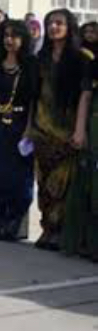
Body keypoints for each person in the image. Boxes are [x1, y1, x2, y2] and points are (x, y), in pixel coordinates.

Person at [31, 9, 94, 251]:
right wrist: (30, 129)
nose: (54, 27)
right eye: (50, 23)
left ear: (70, 27)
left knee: (63, 184)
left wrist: (80, 130)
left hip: (67, 131)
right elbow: (34, 97)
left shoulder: (82, 57)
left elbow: (84, 97)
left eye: (59, 23)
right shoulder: (42, 57)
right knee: (44, 182)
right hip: (42, 129)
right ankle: (47, 228)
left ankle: (61, 232)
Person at [0, 20, 39, 240]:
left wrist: (29, 129)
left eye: (15, 36)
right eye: (6, 36)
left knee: (17, 177)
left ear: (23, 39)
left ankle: (12, 224)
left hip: (19, 126)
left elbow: (33, 101)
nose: (9, 40)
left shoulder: (30, 66)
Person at [62, 18, 98, 258]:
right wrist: (79, 130)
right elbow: (85, 96)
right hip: (95, 126)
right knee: (88, 186)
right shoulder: (95, 63)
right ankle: (87, 244)